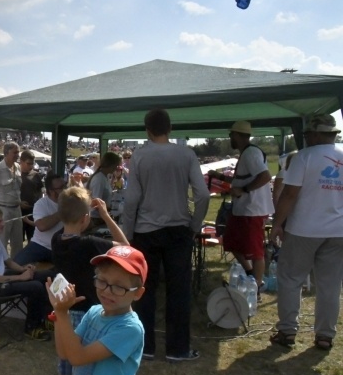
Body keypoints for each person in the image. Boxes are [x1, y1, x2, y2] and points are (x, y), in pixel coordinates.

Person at [123, 109, 209, 361]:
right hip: (179, 229)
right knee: (179, 291)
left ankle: (145, 347)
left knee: (144, 290)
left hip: (146, 231)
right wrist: (194, 225)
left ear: (147, 130)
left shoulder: (139, 156)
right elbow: (203, 195)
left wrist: (127, 234)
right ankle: (178, 349)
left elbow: (131, 200)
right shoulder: (186, 154)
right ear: (170, 128)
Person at [47, 245, 146, 375]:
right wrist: (58, 312)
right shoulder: (93, 313)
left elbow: (77, 357)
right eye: (102, 281)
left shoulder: (130, 329)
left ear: (138, 293)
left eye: (118, 287)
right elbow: (64, 352)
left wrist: (63, 314)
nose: (107, 291)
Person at [49, 186, 128, 375]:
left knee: (65, 372)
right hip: (86, 316)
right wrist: (105, 215)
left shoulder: (56, 240)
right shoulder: (89, 244)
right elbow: (126, 248)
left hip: (63, 314)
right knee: (85, 374)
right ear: (85, 219)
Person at [269, 114, 343, 351]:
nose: (307, 138)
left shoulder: (304, 157)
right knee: (330, 285)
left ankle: (287, 331)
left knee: (291, 279)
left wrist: (277, 223)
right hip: (337, 231)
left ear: (317, 134)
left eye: (308, 134)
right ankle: (325, 335)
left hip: (304, 229)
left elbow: (289, 194)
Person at [208, 121, 273, 295]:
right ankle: (251, 275)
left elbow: (265, 176)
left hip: (252, 210)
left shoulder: (251, 153)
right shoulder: (247, 153)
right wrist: (220, 176)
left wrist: (244, 190)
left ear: (237, 135)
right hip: (243, 210)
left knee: (255, 251)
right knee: (231, 241)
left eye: (231, 135)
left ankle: (256, 287)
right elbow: (241, 180)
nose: (230, 138)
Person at [0, 206, 52, 341]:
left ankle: (45, 318)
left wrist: (23, 269)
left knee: (46, 275)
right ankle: (32, 327)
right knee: (35, 286)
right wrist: (20, 277)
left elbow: (8, 262)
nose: (3, 224)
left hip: (1, 279)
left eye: (2, 220)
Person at [14, 172, 65, 266]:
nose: (65, 189)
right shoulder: (41, 204)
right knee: (16, 264)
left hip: (62, 248)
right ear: (51, 191)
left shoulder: (71, 202)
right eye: (61, 187)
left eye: (65, 185)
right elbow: (41, 226)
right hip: (40, 245)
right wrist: (63, 212)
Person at [0, 141, 24, 258]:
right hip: (2, 210)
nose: (17, 155)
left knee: (18, 241)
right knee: (2, 241)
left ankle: (17, 264)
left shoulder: (18, 167)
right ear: (6, 153)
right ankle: (1, 265)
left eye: (18, 152)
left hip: (17, 209)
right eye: (15, 152)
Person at [86, 152, 122, 230]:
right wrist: (110, 210)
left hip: (101, 217)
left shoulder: (104, 177)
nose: (116, 168)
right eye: (116, 165)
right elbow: (96, 202)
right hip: (96, 219)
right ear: (111, 165)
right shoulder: (99, 179)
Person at [19, 149, 44, 243]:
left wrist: (39, 203)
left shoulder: (35, 175)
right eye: (28, 163)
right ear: (21, 162)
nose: (31, 166)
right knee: (18, 239)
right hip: (18, 211)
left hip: (33, 211)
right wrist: (18, 203)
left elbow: (40, 190)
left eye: (32, 164)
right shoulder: (15, 175)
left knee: (33, 238)